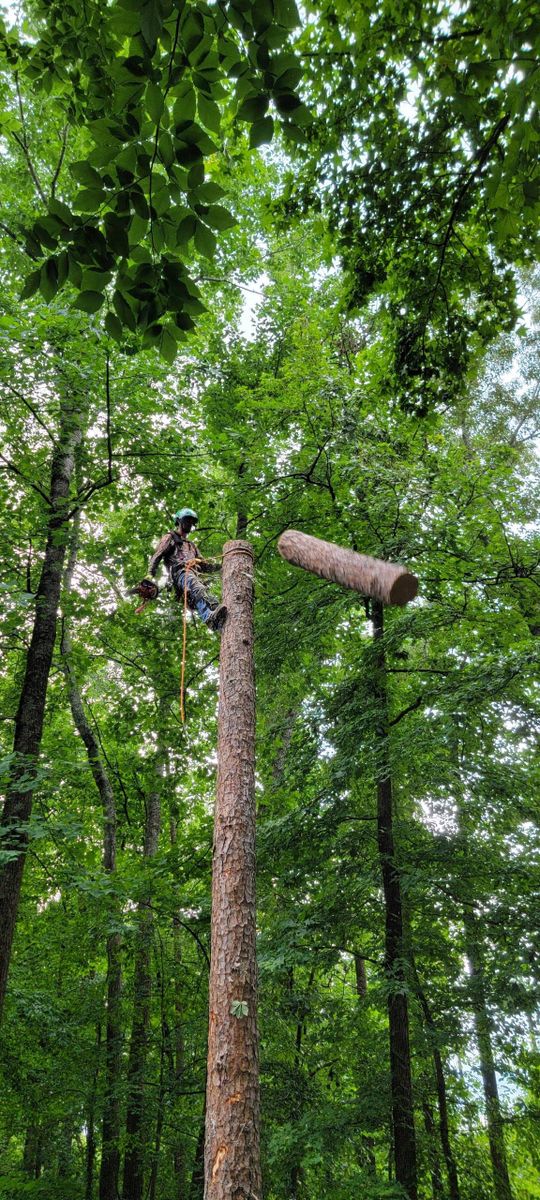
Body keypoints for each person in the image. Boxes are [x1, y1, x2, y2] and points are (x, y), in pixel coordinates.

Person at [144, 507, 227, 632]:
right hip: (180, 573)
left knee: (207, 597)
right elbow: (158, 555)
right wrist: (150, 574)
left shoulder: (191, 545)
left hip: (194, 576)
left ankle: (219, 622)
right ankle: (209, 618)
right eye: (187, 520)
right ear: (179, 521)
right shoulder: (170, 537)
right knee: (196, 587)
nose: (190, 524)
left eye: (192, 522)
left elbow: (204, 565)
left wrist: (221, 566)